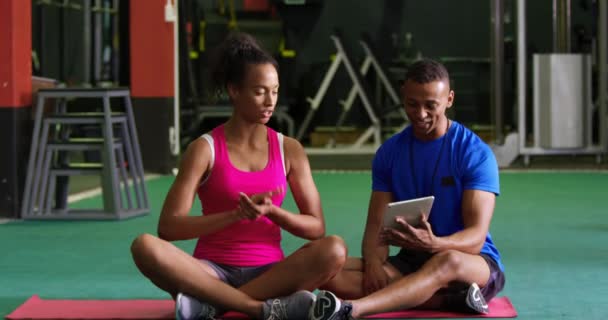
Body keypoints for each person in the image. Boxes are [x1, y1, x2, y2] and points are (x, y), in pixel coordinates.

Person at [130, 32, 347, 320]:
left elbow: (316, 227)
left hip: (271, 272)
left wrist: (272, 212)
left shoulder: (289, 149)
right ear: (234, 91)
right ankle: (257, 308)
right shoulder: (204, 150)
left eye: (275, 90)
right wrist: (234, 215)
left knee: (334, 249)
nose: (270, 101)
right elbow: (168, 227)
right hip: (210, 271)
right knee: (144, 246)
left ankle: (212, 305)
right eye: (259, 92)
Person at [310, 59, 505, 320]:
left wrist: (435, 243)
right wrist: (375, 262)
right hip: (412, 261)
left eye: (430, 105)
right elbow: (377, 225)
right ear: (403, 97)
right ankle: (445, 300)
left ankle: (353, 310)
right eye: (412, 104)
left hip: (471, 263)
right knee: (331, 274)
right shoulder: (389, 153)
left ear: (449, 99)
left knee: (447, 260)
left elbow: (476, 236)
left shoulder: (475, 153)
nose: (420, 113)